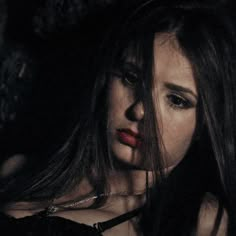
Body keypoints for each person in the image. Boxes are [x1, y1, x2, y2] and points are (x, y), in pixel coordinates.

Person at [1, 0, 236, 236]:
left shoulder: (203, 220)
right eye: (131, 78)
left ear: (205, 122)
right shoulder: (17, 169)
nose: (140, 111)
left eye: (176, 100)